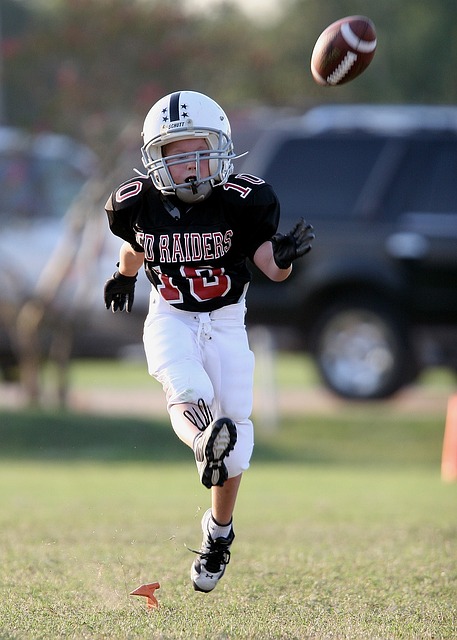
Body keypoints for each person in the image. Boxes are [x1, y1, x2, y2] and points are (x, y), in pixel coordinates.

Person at [103, 90, 314, 593]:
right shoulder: (136, 203)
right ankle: (202, 441)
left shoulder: (244, 200)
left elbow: (270, 268)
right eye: (179, 155)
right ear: (157, 160)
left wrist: (281, 258)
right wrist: (122, 275)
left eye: (202, 150)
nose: (193, 165)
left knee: (236, 441)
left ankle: (218, 532)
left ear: (221, 149)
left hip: (225, 319)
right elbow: (136, 245)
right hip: (171, 314)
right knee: (185, 384)